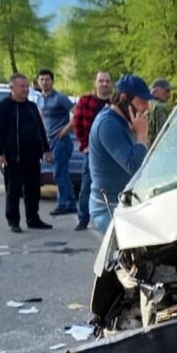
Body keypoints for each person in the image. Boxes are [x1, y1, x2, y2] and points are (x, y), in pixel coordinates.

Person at [88, 74, 151, 232]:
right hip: (108, 210)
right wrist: (142, 135)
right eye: (142, 101)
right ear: (124, 99)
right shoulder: (108, 124)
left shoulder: (123, 121)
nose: (146, 107)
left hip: (123, 206)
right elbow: (134, 167)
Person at [0, 73, 53, 233]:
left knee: (33, 190)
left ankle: (33, 218)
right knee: (13, 190)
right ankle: (13, 220)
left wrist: (46, 149)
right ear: (12, 88)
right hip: (13, 157)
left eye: (27, 86)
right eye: (22, 86)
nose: (26, 89)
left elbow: (40, 129)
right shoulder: (3, 107)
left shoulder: (31, 107)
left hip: (33, 156)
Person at [72, 71, 112, 231]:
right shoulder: (85, 101)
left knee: (114, 186)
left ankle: (111, 217)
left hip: (112, 152)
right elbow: (77, 124)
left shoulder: (117, 102)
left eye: (107, 81)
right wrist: (84, 144)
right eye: (101, 81)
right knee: (87, 185)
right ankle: (83, 219)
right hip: (92, 152)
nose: (104, 84)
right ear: (95, 83)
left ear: (111, 84)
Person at [33, 69, 76, 215]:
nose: (44, 82)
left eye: (47, 79)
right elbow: (41, 118)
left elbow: (78, 113)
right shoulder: (39, 98)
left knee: (58, 173)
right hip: (48, 140)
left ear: (52, 81)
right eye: (42, 79)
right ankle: (71, 203)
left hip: (61, 141)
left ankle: (62, 204)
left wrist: (66, 129)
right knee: (62, 172)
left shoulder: (60, 98)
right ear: (38, 81)